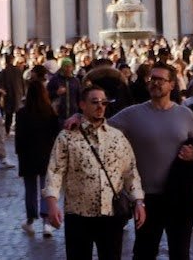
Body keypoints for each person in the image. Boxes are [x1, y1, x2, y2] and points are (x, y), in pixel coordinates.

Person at [108, 63, 193, 260]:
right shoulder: (132, 114)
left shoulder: (186, 114)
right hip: (147, 199)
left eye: (161, 79)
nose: (155, 83)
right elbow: (101, 128)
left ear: (172, 85)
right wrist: (80, 117)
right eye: (152, 78)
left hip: (179, 197)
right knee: (144, 253)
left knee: (180, 253)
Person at [43, 82, 144, 260]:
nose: (100, 107)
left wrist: (138, 202)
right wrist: (52, 204)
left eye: (103, 103)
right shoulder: (67, 136)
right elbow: (55, 172)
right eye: (95, 102)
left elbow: (130, 172)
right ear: (82, 105)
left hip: (111, 216)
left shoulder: (116, 136)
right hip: (78, 215)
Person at [14, 66, 59, 236]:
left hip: (28, 156)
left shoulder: (22, 113)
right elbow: (55, 135)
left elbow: (19, 137)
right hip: (46, 155)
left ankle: (31, 219)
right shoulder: (49, 113)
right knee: (46, 189)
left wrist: (19, 154)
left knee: (30, 189)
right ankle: (47, 222)